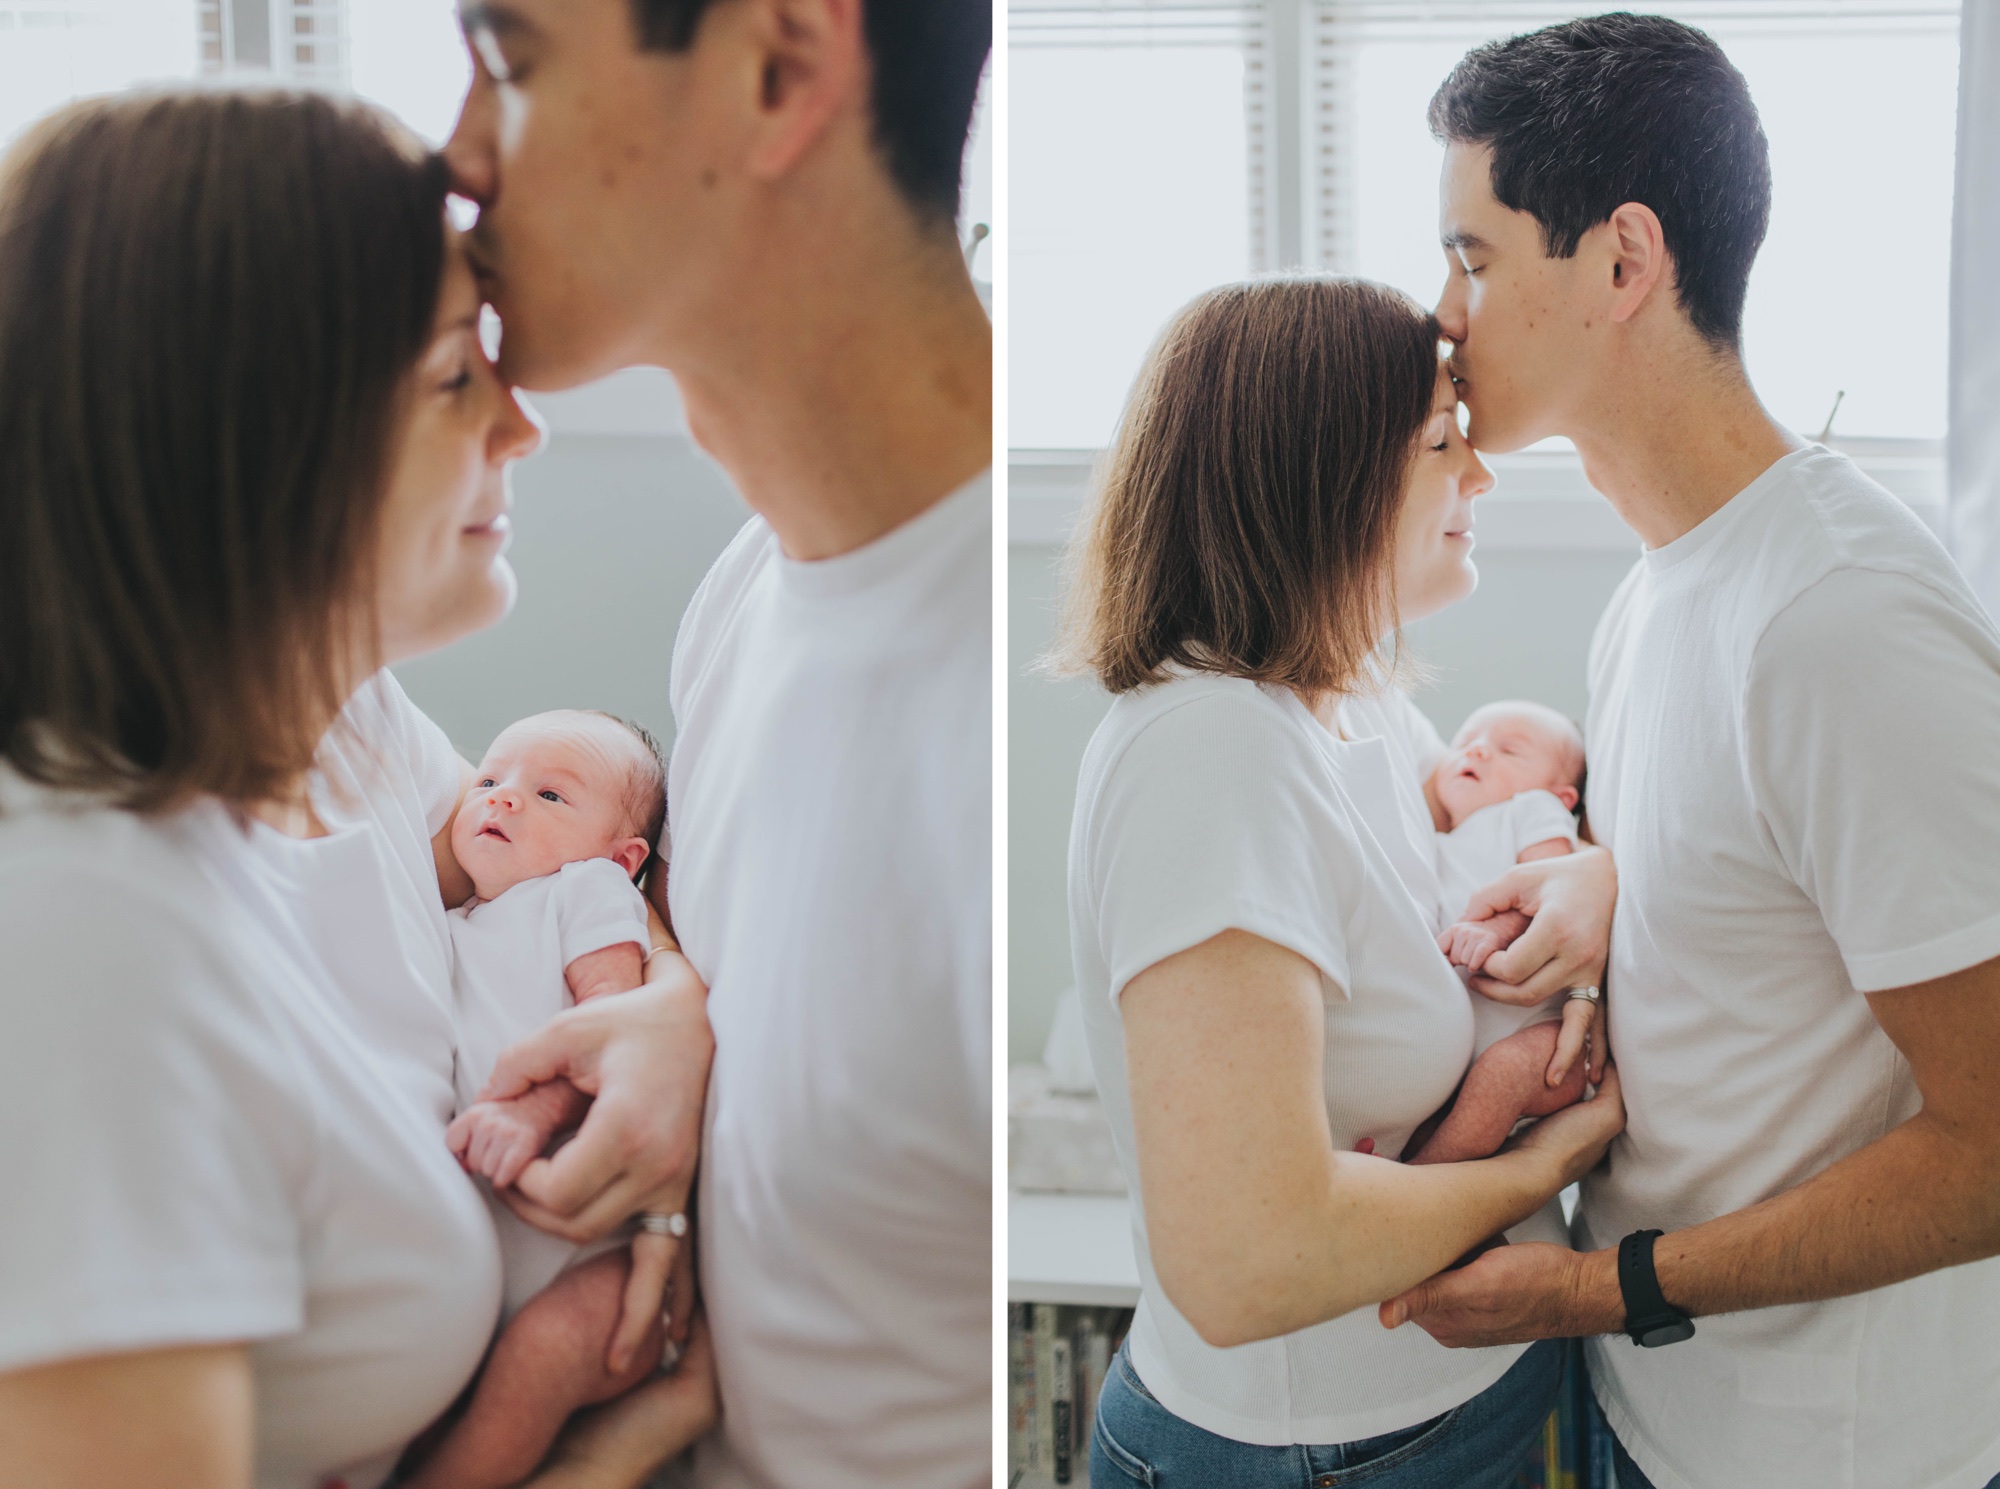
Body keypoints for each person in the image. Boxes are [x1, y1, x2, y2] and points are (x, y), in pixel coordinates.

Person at [0, 90, 714, 1489]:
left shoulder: (335, 726)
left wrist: (668, 1014)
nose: (525, 430)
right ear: (251, 431)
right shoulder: (85, 936)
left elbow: (572, 870)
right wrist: (601, 1463)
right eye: (459, 376)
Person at [1378, 17, 2000, 1489]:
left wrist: (1601, 1290)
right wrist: (1605, 877)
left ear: (1620, 260)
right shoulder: (1665, 582)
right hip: (1664, 1423)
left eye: (1472, 256)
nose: (1442, 312)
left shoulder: (1842, 618)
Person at [436, 1, 994, 1484]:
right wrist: (682, 1014)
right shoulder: (750, 590)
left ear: (778, 69)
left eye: (513, 59)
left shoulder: (983, 702)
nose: (461, 148)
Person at [1057, 274, 1624, 1489]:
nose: (1477, 476)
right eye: (1438, 442)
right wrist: (1534, 1177)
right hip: (1323, 1448)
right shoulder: (1208, 753)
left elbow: (1479, 851)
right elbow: (1244, 1262)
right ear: (1318, 479)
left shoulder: (1348, 694)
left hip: (1457, 1399)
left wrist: (1588, 875)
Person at [406, 710, 675, 1489]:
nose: (504, 798)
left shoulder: (584, 892)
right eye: (488, 780)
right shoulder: (445, 923)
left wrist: (532, 1111)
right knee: (424, 1384)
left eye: (552, 795)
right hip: (485, 1241)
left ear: (624, 856)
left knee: (537, 1362)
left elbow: (610, 1033)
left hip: (597, 1258)